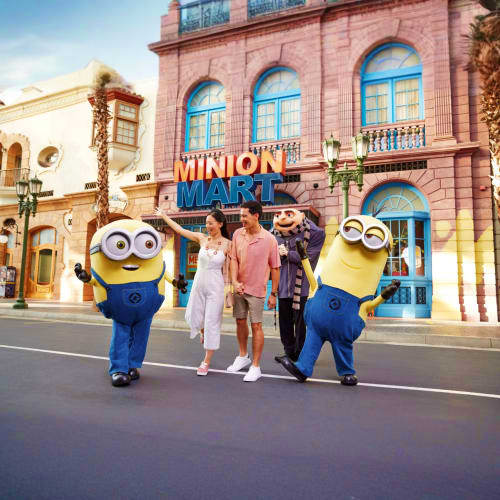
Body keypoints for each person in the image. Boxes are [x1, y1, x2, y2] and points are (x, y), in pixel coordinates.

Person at [154, 207, 231, 376]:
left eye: (211, 223)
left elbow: (236, 266)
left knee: (212, 321)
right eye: (206, 223)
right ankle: (203, 332)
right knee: (197, 316)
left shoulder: (228, 244)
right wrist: (164, 216)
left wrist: (232, 288)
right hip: (198, 284)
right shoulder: (201, 238)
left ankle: (206, 361)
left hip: (216, 287)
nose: (208, 226)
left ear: (220, 224)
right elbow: (179, 229)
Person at [228, 200, 280, 382]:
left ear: (256, 216)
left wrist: (273, 293)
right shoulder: (237, 234)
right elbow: (233, 259)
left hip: (257, 290)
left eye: (245, 216)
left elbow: (275, 268)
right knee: (240, 321)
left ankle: (256, 366)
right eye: (241, 215)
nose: (241, 219)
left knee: (256, 325)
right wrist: (234, 282)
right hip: (239, 288)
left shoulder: (269, 239)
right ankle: (243, 356)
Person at [271, 208, 325, 362]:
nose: (282, 218)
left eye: (289, 214)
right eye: (278, 215)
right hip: (283, 286)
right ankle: (289, 353)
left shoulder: (314, 233)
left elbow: (309, 257)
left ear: (301, 216)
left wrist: (287, 253)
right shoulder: (273, 234)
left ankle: (301, 354)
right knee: (285, 323)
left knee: (301, 324)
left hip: (302, 288)